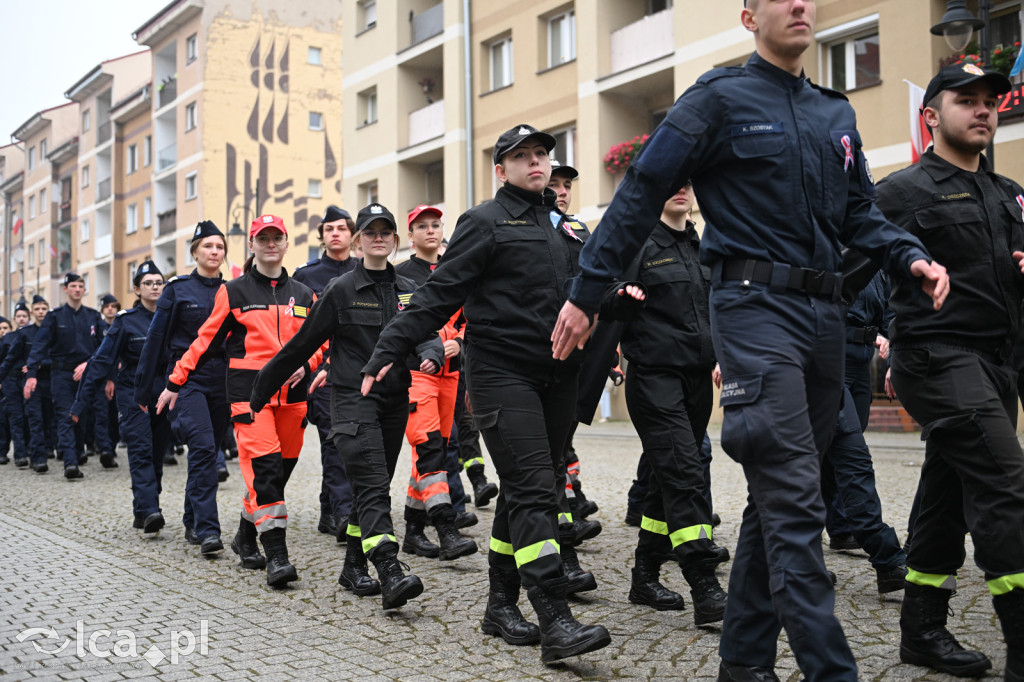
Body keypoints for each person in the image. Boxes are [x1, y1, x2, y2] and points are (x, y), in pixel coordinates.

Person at [550, 0, 950, 677]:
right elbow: (641, 191)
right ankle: (833, 668)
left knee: (784, 500)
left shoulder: (835, 113)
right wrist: (588, 294)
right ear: (747, 16)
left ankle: (742, 663)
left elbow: (860, 213)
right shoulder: (716, 98)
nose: (800, 4)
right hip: (752, 308)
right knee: (794, 495)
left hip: (826, 318)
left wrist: (909, 256)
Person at [361, 125, 641, 663]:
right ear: (501, 169)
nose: (535, 163)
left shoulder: (566, 228)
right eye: (522, 157)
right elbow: (436, 297)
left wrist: (616, 299)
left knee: (524, 489)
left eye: (541, 154)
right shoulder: (484, 222)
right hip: (500, 375)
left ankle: (499, 604)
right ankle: (554, 616)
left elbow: (578, 293)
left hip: (559, 374)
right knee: (537, 489)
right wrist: (386, 351)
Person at [875, 63, 1024, 680]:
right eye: (967, 100)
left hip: (996, 363)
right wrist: (875, 340)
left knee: (950, 491)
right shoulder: (901, 191)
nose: (984, 109)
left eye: (992, 100)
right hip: (936, 358)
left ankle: (922, 632)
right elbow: (854, 273)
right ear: (931, 116)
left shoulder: (1010, 192)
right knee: (1006, 488)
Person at [252, 203, 442, 609]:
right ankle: (389, 568)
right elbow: (301, 344)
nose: (378, 237)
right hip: (352, 402)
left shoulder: (407, 289)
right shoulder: (340, 290)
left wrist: (434, 351)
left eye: (385, 231)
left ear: (393, 240)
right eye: (370, 231)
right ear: (358, 241)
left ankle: (352, 568)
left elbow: (422, 332)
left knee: (371, 487)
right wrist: (261, 389)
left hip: (394, 400)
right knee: (373, 485)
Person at [158, 215, 320, 586]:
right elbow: (203, 340)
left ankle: (245, 535)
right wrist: (174, 381)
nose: (269, 244)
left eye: (276, 237)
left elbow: (320, 343)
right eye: (262, 238)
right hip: (249, 398)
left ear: (285, 242)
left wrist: (307, 365)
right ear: (252, 245)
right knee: (264, 473)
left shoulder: (306, 294)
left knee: (277, 477)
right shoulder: (233, 292)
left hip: (293, 399)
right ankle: (277, 556)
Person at [603, 184, 728, 627]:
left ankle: (645, 575)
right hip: (654, 376)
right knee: (685, 471)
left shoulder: (703, 243)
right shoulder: (638, 240)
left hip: (696, 379)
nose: (680, 189)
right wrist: (620, 297)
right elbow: (601, 292)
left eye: (688, 182)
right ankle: (705, 584)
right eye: (670, 181)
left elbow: (718, 307)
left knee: (664, 478)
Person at [136, 221, 232, 558]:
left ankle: (192, 519)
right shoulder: (176, 290)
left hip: (222, 377)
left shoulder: (232, 290)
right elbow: (155, 340)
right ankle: (208, 529)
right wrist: (143, 391)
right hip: (185, 378)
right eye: (208, 246)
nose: (214, 252)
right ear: (195, 251)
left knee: (208, 449)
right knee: (204, 448)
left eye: (219, 247)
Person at [395, 204, 477, 562]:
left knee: (436, 452)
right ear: (410, 236)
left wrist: (459, 342)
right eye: (422, 226)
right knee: (428, 447)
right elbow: (397, 325)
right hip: (417, 374)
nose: (431, 230)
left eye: (436, 224)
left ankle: (413, 531)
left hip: (451, 375)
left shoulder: (456, 270)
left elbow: (471, 318)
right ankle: (446, 528)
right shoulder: (398, 276)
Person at [72, 262, 170, 534]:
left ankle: (143, 508)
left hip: (163, 394)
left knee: (157, 453)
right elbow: (102, 361)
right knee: (140, 451)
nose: (154, 287)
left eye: (159, 282)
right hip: (133, 394)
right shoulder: (126, 322)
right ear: (137, 289)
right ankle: (151, 509)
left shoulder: (170, 319)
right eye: (148, 283)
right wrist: (79, 404)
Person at [293, 205, 359, 539]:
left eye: (341, 228)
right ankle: (344, 513)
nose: (335, 233)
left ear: (351, 234)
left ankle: (327, 509)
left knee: (348, 441)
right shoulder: (305, 277)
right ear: (322, 236)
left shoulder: (364, 270)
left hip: (357, 369)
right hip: (320, 372)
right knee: (334, 442)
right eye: (329, 229)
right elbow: (299, 329)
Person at [25, 273, 111, 479]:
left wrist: (89, 365)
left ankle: (78, 452)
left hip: (86, 374)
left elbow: (103, 348)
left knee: (82, 417)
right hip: (62, 374)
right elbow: (39, 347)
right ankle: (70, 463)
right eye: (73, 286)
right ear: (65, 289)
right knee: (65, 416)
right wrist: (31, 374)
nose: (77, 289)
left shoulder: (92, 317)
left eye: (81, 286)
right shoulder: (54, 317)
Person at [0, 304, 31, 468]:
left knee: (30, 416)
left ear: (28, 317)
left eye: (24, 316)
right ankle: (20, 454)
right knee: (15, 417)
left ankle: (30, 450)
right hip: (11, 380)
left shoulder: (35, 334)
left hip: (28, 379)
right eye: (18, 316)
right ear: (14, 319)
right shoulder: (8, 338)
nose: (21, 319)